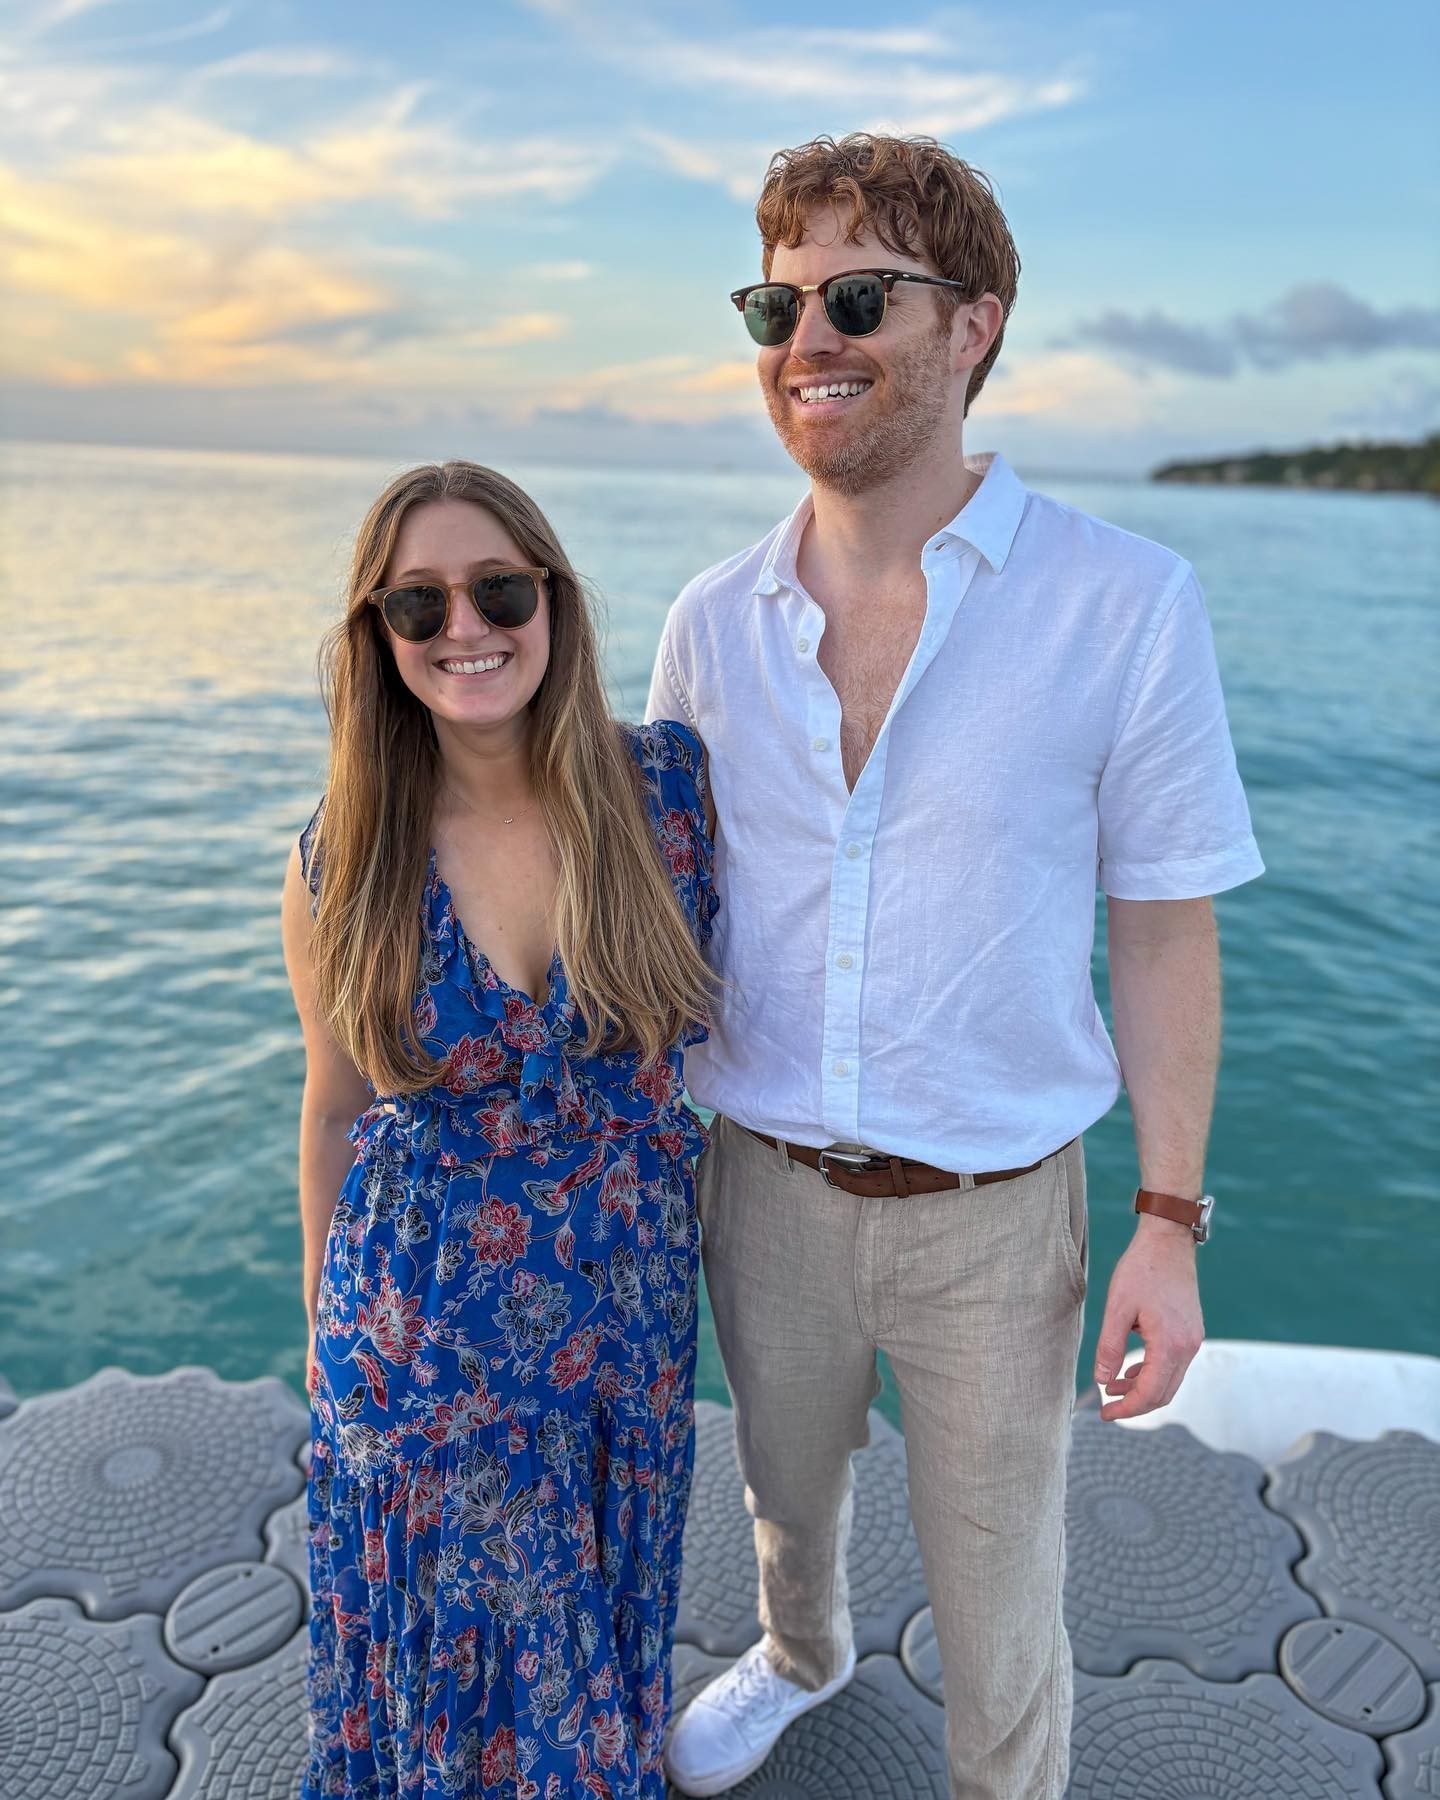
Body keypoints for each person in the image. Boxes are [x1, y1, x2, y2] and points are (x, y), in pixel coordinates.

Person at [647, 134, 1263, 1799]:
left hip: (997, 1213)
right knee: (785, 1499)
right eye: (775, 305)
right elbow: (662, 910)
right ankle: (801, 1657)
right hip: (758, 1183)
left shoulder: (1125, 602)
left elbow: (1163, 921)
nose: (805, 343)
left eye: (856, 296)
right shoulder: (710, 619)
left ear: (973, 326)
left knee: (1004, 1605)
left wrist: (1170, 1222)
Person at [281, 460, 718, 1799]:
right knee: (445, 1684)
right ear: (380, 637)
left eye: (499, 588)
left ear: (554, 601)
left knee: (595, 1650)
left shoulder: (669, 797)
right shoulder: (339, 859)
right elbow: (336, 1100)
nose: (465, 626)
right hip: (422, 1339)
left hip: (624, 1319)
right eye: (418, 605)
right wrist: (318, 1330)